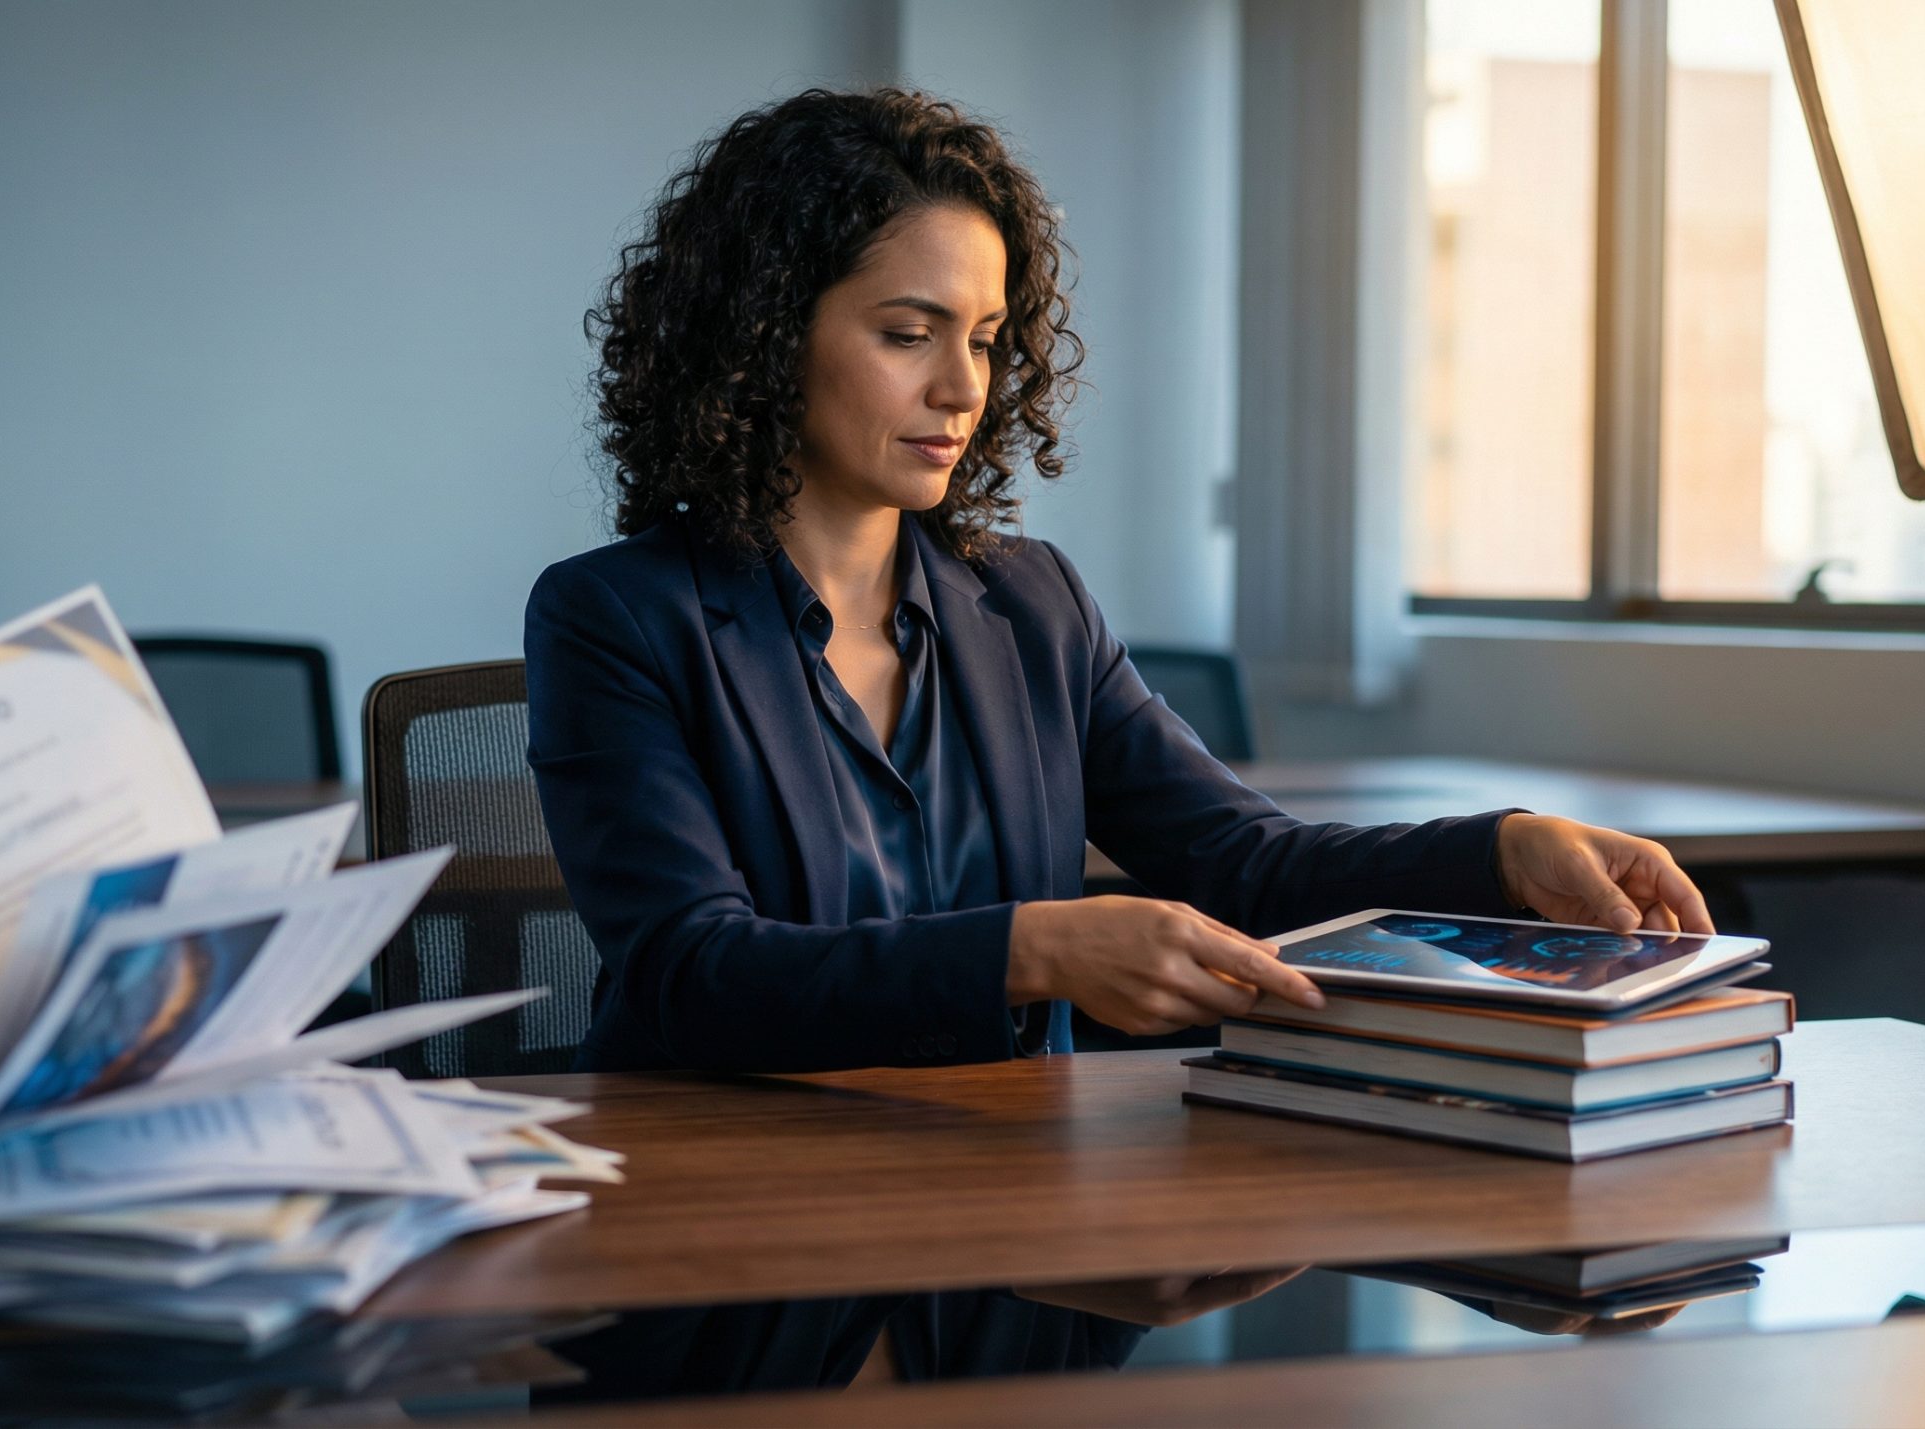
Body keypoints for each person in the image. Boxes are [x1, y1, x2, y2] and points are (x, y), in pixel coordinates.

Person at [526, 88, 1711, 1076]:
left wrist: (1500, 851)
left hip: (1004, 1182)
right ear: (767, 334)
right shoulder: (615, 616)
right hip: (724, 1195)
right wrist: (1032, 950)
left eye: (984, 338)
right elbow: (691, 975)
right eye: (907, 333)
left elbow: (1246, 863)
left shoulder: (1030, 606)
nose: (963, 388)